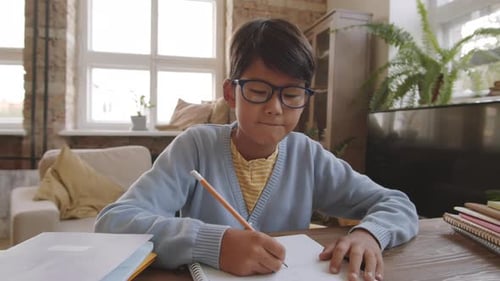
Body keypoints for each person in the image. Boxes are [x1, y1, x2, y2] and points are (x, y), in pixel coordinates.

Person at [95, 18, 418, 281]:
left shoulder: (307, 156)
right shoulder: (195, 147)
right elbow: (113, 223)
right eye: (259, 90)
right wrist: (214, 245)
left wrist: (370, 234)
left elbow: (396, 203)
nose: (275, 108)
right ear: (231, 94)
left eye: (291, 94)